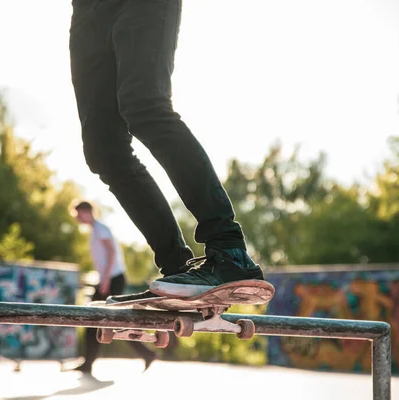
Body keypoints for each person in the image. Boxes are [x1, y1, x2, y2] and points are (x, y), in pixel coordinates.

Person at [69, 0, 265, 303]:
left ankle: (229, 252)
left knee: (145, 107)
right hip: (88, 11)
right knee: (103, 150)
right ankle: (177, 268)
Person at [72, 201, 156, 374]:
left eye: (78, 214)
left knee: (96, 318)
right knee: (109, 319)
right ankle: (145, 353)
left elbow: (111, 253)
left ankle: (89, 363)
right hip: (110, 278)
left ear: (86, 211)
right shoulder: (96, 230)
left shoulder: (100, 229)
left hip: (112, 279)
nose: (77, 218)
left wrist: (105, 281)